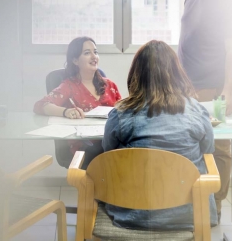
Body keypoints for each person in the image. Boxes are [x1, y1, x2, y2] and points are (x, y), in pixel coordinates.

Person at [102, 40, 218, 230]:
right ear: (176, 73)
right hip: (190, 214)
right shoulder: (196, 110)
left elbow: (109, 153)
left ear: (136, 74)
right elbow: (208, 150)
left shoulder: (121, 113)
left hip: (133, 214)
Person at [178, 0, 232, 222]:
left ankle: (215, 207)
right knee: (191, 145)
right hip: (188, 89)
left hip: (212, 89)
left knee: (218, 147)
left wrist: (227, 91)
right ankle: (194, 203)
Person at [34, 36, 121, 168]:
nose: (94, 56)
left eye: (95, 52)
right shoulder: (69, 85)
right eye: (87, 53)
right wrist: (66, 111)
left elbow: (122, 112)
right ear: (75, 60)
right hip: (84, 146)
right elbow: (40, 105)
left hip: (109, 141)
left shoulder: (110, 85)